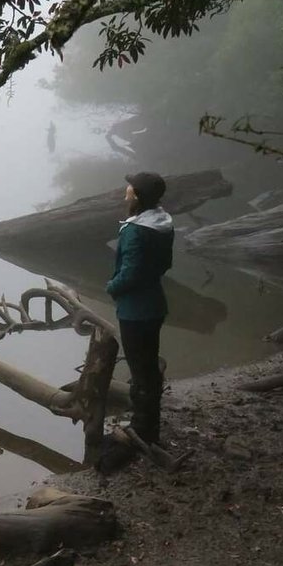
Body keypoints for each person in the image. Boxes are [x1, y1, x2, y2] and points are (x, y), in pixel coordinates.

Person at [106, 172, 174, 445]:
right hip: (154, 304)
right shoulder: (162, 223)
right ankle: (149, 424)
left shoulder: (136, 230)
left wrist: (112, 286)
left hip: (136, 311)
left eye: (130, 186)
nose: (126, 189)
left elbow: (130, 273)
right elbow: (164, 265)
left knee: (140, 370)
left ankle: (142, 430)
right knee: (148, 366)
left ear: (137, 195)